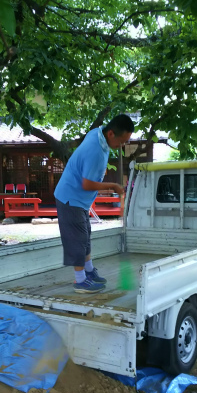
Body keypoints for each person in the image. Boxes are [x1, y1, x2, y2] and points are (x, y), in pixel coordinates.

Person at [54, 114, 134, 293]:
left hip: (80, 200)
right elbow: (87, 184)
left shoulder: (98, 133)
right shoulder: (95, 150)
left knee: (85, 236)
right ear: (112, 134)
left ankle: (89, 271)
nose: (121, 147)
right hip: (70, 198)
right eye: (121, 142)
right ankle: (80, 281)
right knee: (78, 239)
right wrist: (113, 185)